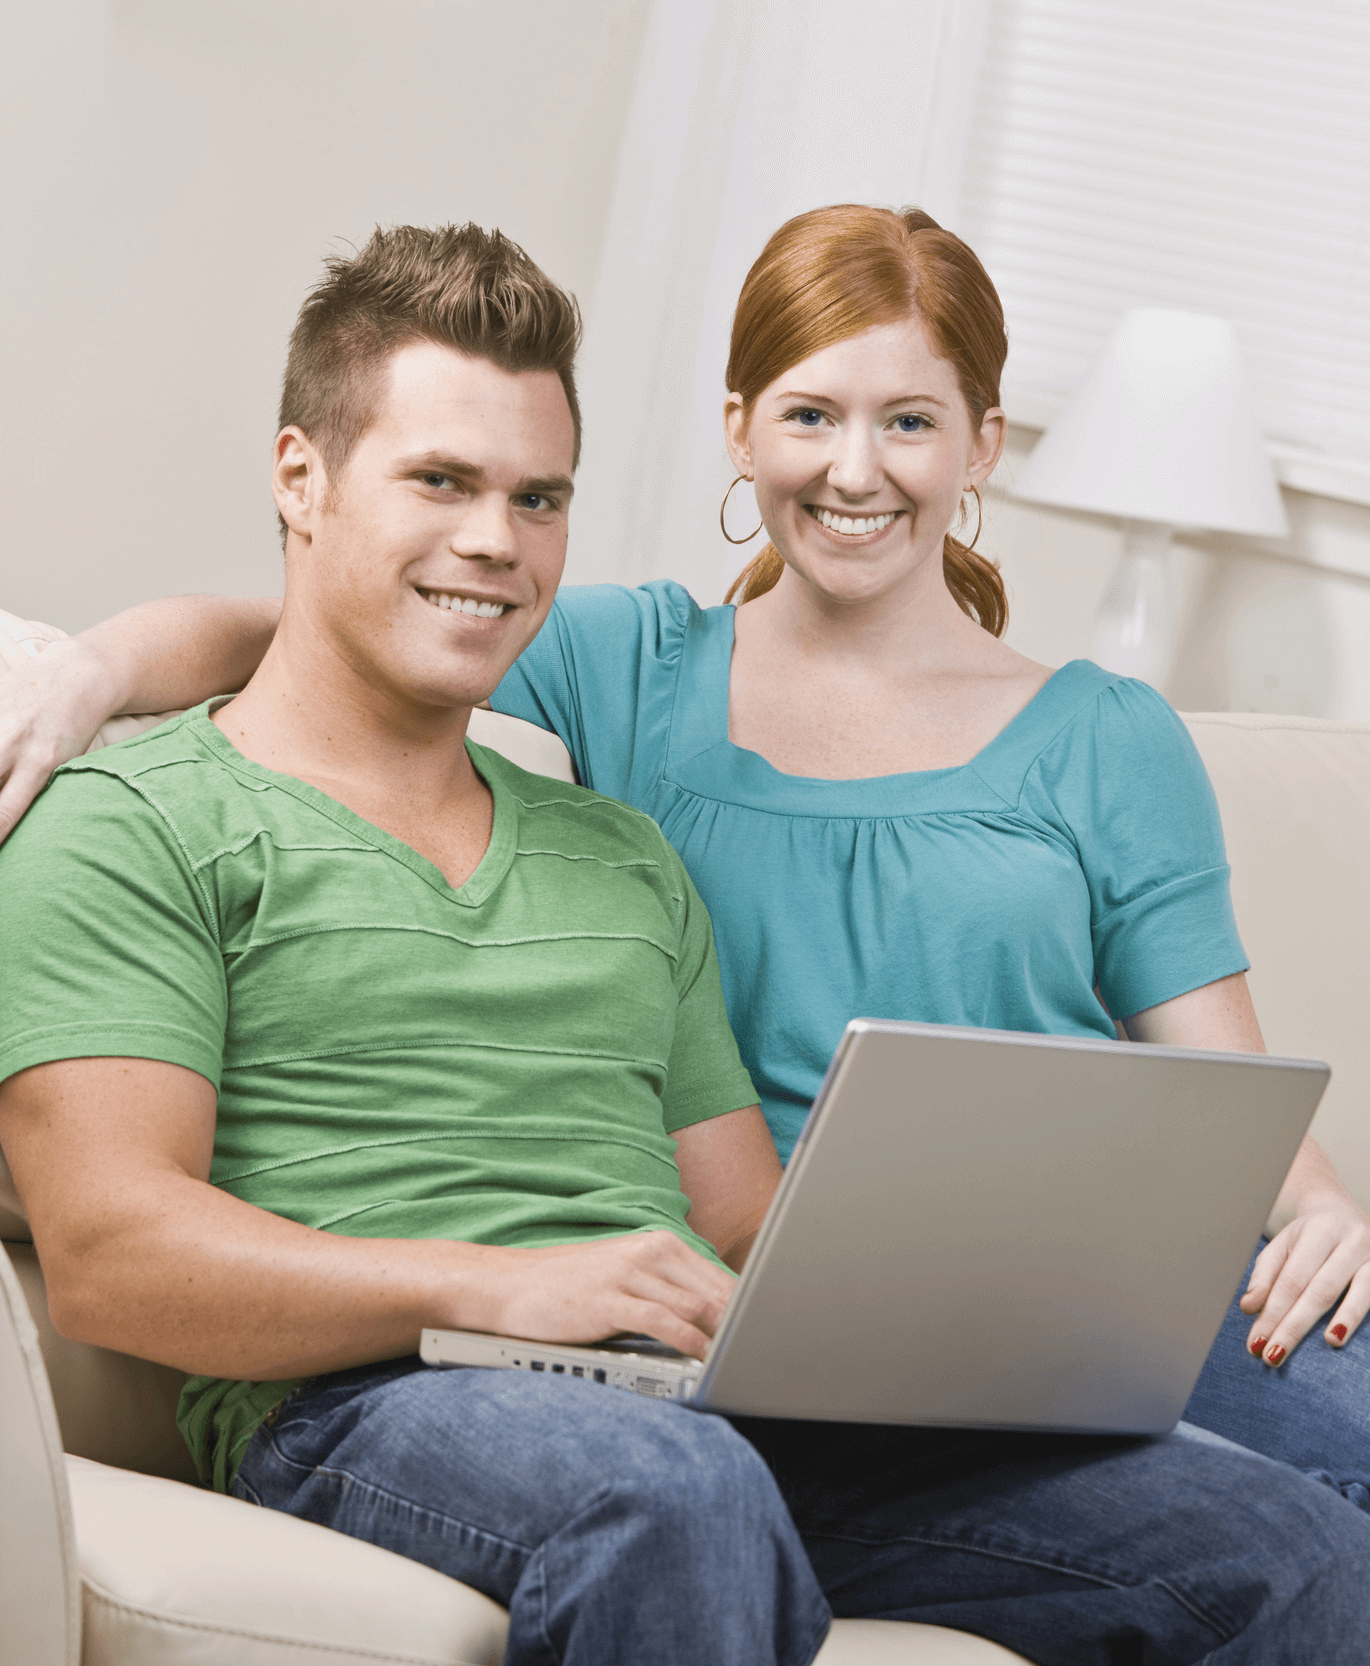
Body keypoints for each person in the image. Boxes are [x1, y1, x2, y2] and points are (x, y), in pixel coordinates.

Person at [0, 221, 1366, 1518]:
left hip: (1043, 1277)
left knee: (1324, 1466)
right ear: (738, 431)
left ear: (979, 445)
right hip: (754, 1286)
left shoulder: (1101, 737)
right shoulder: (625, 664)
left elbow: (1219, 1083)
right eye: (811, 414)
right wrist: (94, 672)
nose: (854, 468)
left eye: (909, 420)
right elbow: (325, 616)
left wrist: (1315, 1205)